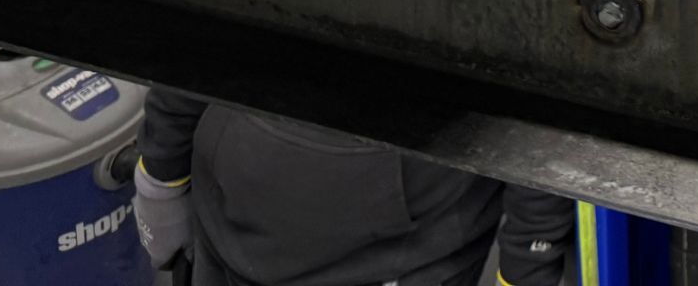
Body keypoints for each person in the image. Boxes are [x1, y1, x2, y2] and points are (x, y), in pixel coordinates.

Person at [133, 87, 572, 286]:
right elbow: (199, 5)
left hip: (399, 252)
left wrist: (526, 268)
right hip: (226, 215)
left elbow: (537, 90)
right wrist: (161, 175)